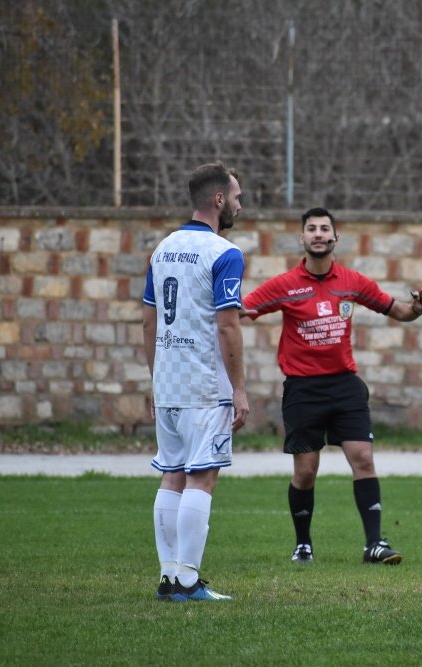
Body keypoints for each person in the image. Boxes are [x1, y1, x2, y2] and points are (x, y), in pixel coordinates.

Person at [242, 207, 422, 566]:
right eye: (311, 229)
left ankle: (374, 544)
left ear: (335, 238)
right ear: (302, 238)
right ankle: (303, 544)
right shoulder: (285, 285)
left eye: (324, 228)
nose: (318, 234)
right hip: (303, 390)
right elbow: (241, 310)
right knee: (306, 471)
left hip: (345, 387)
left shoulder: (352, 282)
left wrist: (418, 308)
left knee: (363, 459)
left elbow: (398, 311)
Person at [142, 162, 249, 602]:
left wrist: (155, 381)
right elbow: (228, 325)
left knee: (171, 477)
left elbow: (148, 321)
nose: (241, 204)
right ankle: (186, 579)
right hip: (205, 386)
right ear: (219, 200)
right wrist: (238, 387)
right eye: (237, 197)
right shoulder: (225, 253)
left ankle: (170, 576)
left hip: (168, 384)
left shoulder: (162, 249)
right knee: (201, 479)